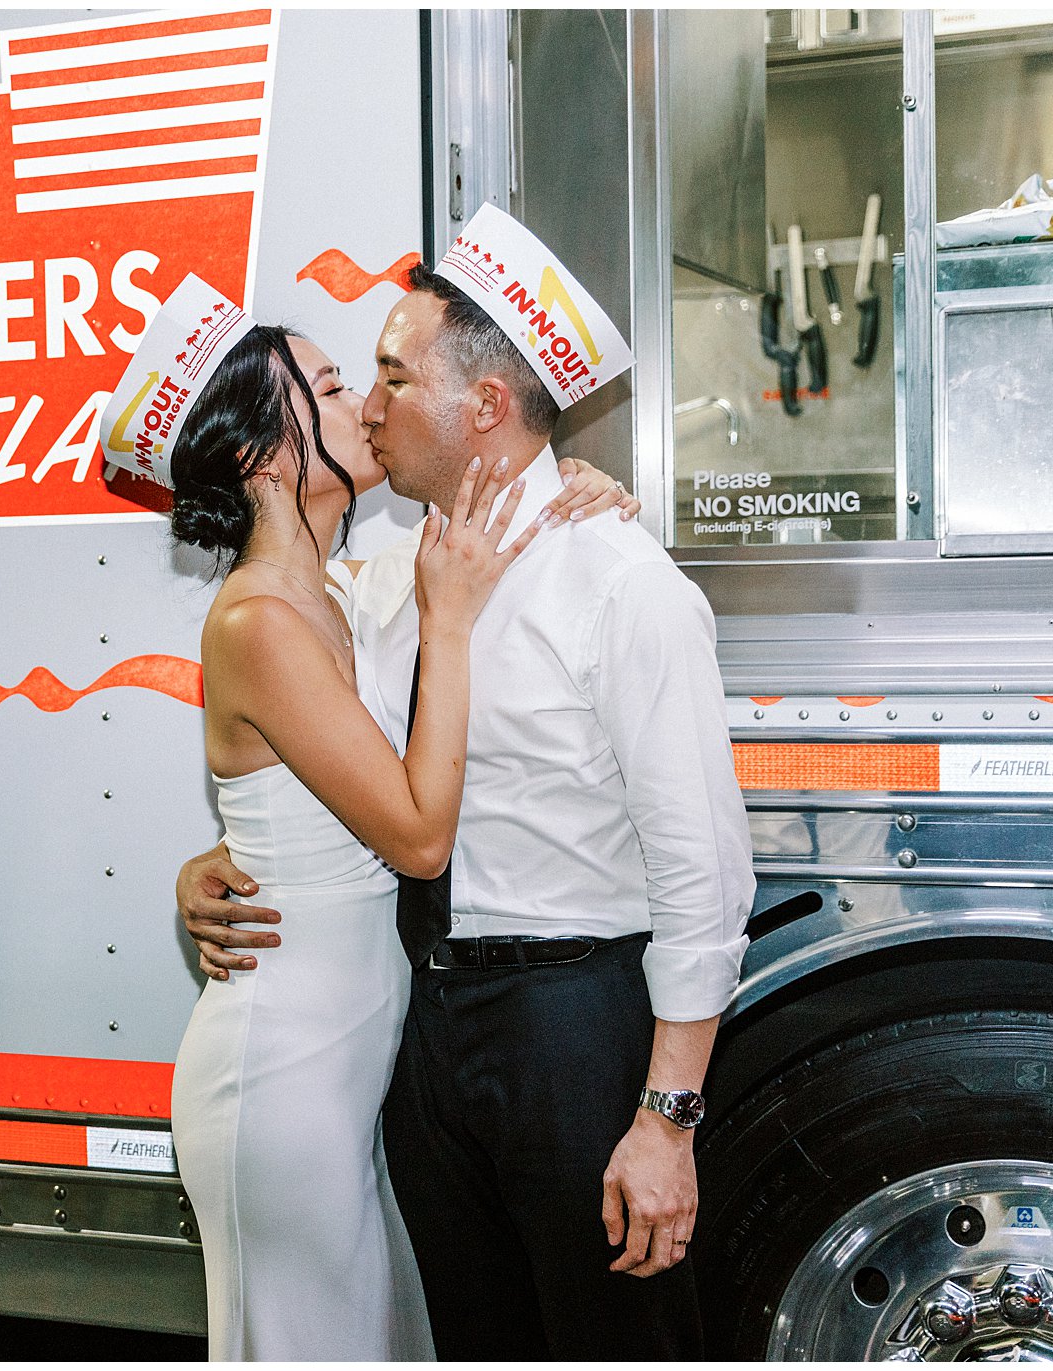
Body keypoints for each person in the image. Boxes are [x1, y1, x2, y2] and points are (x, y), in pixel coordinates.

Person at [176, 206, 757, 1360]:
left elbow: (704, 878)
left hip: (568, 1030)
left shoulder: (620, 586)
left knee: (608, 1341)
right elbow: (304, 753)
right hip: (420, 1034)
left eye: (391, 375)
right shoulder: (389, 577)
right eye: (358, 383)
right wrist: (215, 858)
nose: (373, 406)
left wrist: (666, 1120)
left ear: (484, 407)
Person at [98, 272, 643, 1361]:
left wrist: (572, 482)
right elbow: (415, 834)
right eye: (335, 385)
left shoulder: (349, 588)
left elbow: (295, 799)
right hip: (284, 1077)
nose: (370, 408)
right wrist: (451, 623)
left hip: (360, 1071)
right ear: (261, 453)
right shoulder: (258, 621)